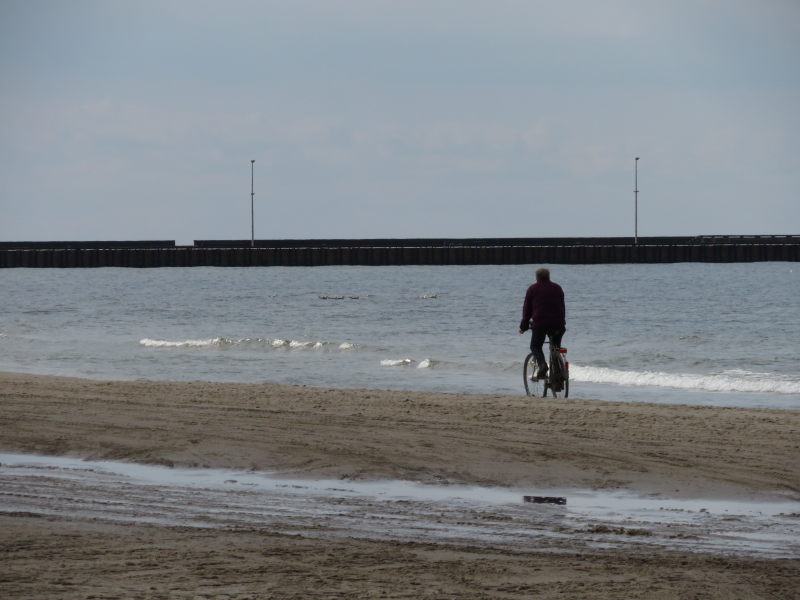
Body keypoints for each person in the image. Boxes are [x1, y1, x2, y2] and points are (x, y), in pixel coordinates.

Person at [519, 268, 566, 379]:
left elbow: (527, 311)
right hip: (558, 325)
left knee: (535, 346)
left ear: (537, 277)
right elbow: (562, 307)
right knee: (556, 349)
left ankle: (542, 365)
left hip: (540, 324)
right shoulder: (557, 288)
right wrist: (562, 322)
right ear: (549, 276)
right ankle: (558, 378)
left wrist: (523, 326)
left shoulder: (532, 289)